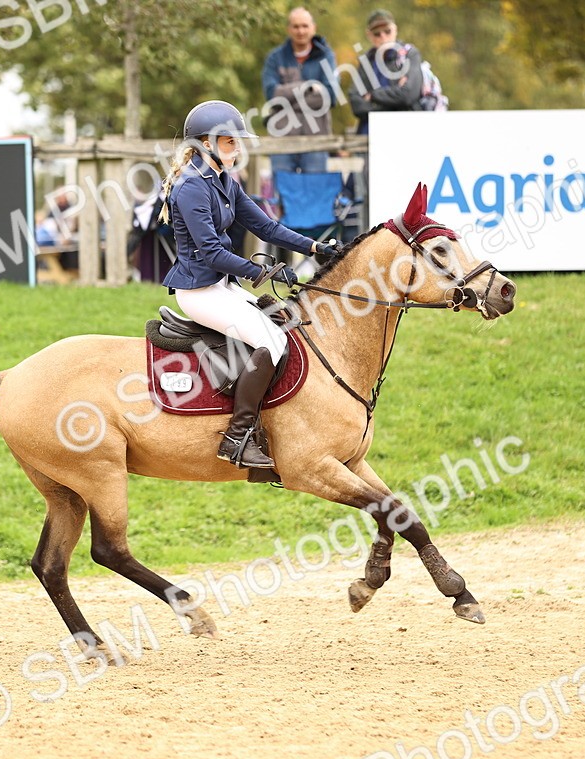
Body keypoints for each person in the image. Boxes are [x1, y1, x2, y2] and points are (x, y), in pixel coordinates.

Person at [159, 100, 339, 470]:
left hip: (220, 286)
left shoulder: (224, 179)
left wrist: (316, 247)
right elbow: (210, 253)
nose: (237, 149)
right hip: (198, 292)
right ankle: (236, 438)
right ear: (206, 143)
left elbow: (266, 227)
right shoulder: (192, 187)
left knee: (281, 324)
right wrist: (266, 274)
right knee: (270, 342)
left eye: (237, 142)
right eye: (229, 142)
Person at [261, 7, 338, 174]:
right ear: (289, 29)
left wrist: (286, 100)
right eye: (296, 26)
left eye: (304, 26)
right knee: (283, 195)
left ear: (313, 28)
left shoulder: (326, 56)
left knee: (315, 193)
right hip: (282, 139)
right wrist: (308, 87)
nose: (300, 31)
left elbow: (330, 97)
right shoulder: (275, 58)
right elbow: (271, 95)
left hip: (317, 139)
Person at [347, 9, 424, 134]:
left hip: (403, 131)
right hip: (369, 135)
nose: (383, 36)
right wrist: (392, 101)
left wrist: (372, 96)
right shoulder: (366, 62)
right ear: (369, 35)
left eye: (387, 31)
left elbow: (408, 95)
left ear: (395, 30)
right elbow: (356, 104)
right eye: (377, 33)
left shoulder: (409, 55)